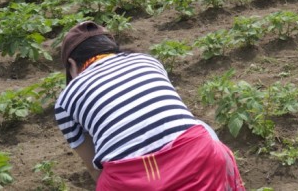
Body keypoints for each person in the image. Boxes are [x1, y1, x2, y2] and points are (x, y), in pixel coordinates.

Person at [55, 21, 245, 190]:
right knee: (201, 127)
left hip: (133, 182)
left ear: (71, 64)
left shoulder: (65, 100)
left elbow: (94, 168)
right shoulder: (147, 60)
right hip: (199, 157)